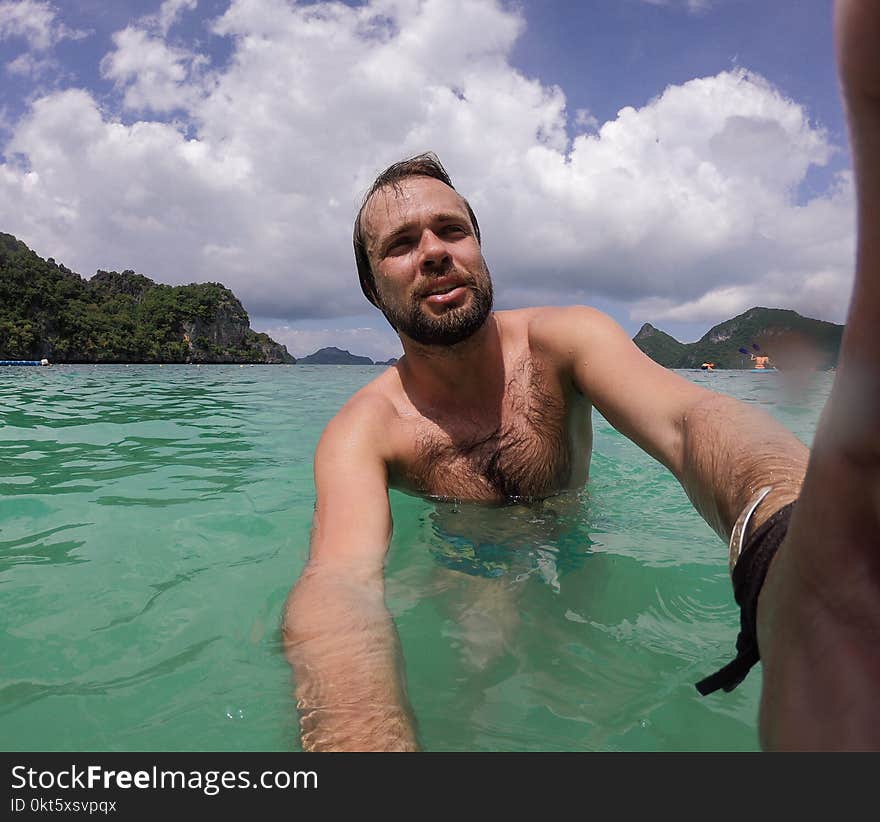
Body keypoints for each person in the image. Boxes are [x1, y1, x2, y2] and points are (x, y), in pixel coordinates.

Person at [283, 0, 879, 751]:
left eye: (452, 229)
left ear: (480, 249)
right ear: (373, 289)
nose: (434, 250)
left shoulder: (564, 341)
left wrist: (786, 540)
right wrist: (358, 733)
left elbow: (690, 422)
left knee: (606, 712)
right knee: (479, 678)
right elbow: (337, 584)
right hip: (465, 559)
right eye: (401, 243)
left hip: (575, 542)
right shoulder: (364, 431)